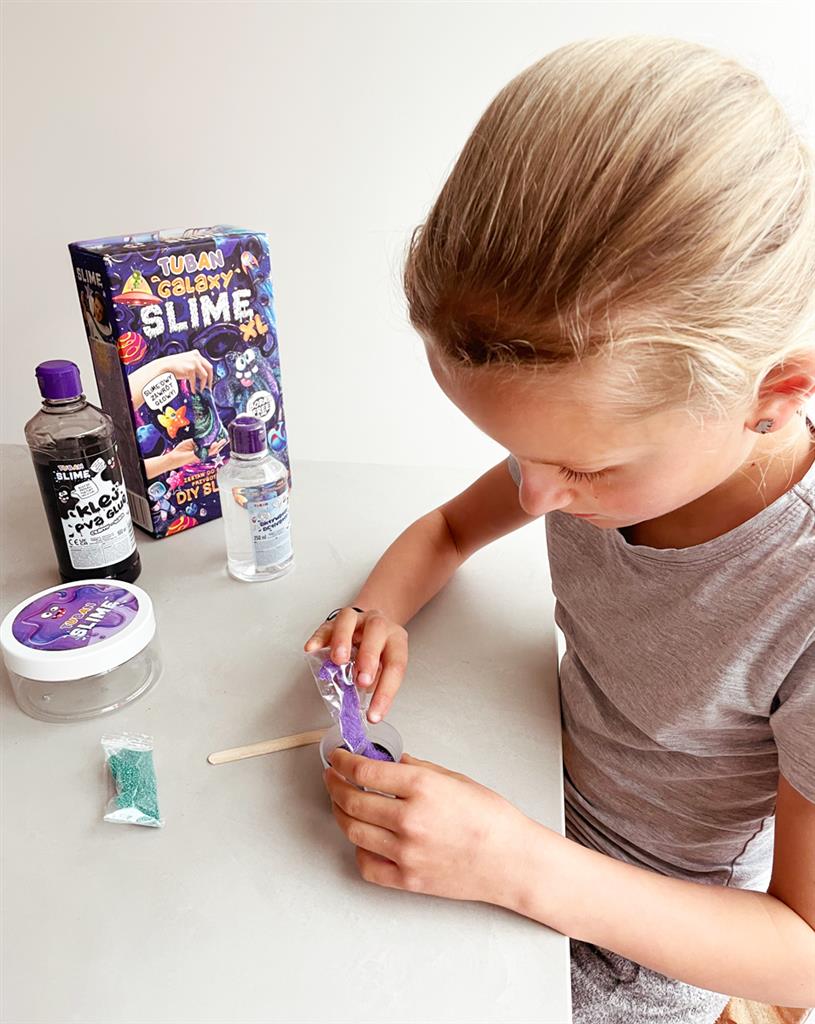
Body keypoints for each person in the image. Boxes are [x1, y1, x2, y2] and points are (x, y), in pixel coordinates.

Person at [304, 36, 815, 1022]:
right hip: (527, 788)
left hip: (638, 943)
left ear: (773, 396)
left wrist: (512, 862)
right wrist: (376, 610)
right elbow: (448, 529)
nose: (534, 495)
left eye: (583, 467)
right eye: (513, 451)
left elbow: (801, 958)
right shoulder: (594, 445)